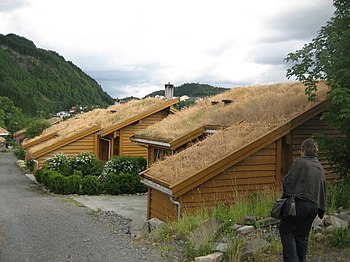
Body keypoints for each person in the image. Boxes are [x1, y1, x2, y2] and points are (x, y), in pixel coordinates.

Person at [279, 138, 326, 262]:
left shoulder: (300, 162)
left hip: (300, 205)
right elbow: (322, 188)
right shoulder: (319, 166)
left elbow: (288, 182)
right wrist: (321, 209)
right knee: (302, 236)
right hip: (314, 207)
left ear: (304, 150)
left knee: (286, 231)